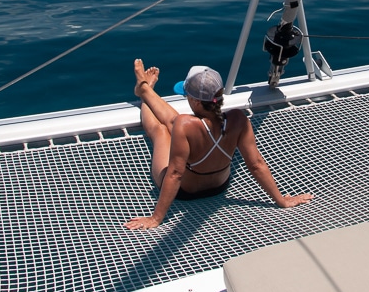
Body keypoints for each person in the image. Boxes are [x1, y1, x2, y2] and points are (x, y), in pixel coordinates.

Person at [124, 59, 313, 230]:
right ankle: (146, 90)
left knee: (160, 131)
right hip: (219, 186)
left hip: (186, 192)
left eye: (187, 96)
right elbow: (256, 164)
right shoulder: (238, 119)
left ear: (196, 101)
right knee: (175, 123)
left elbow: (175, 173)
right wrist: (281, 201)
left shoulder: (184, 124)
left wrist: (156, 218)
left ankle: (145, 92)